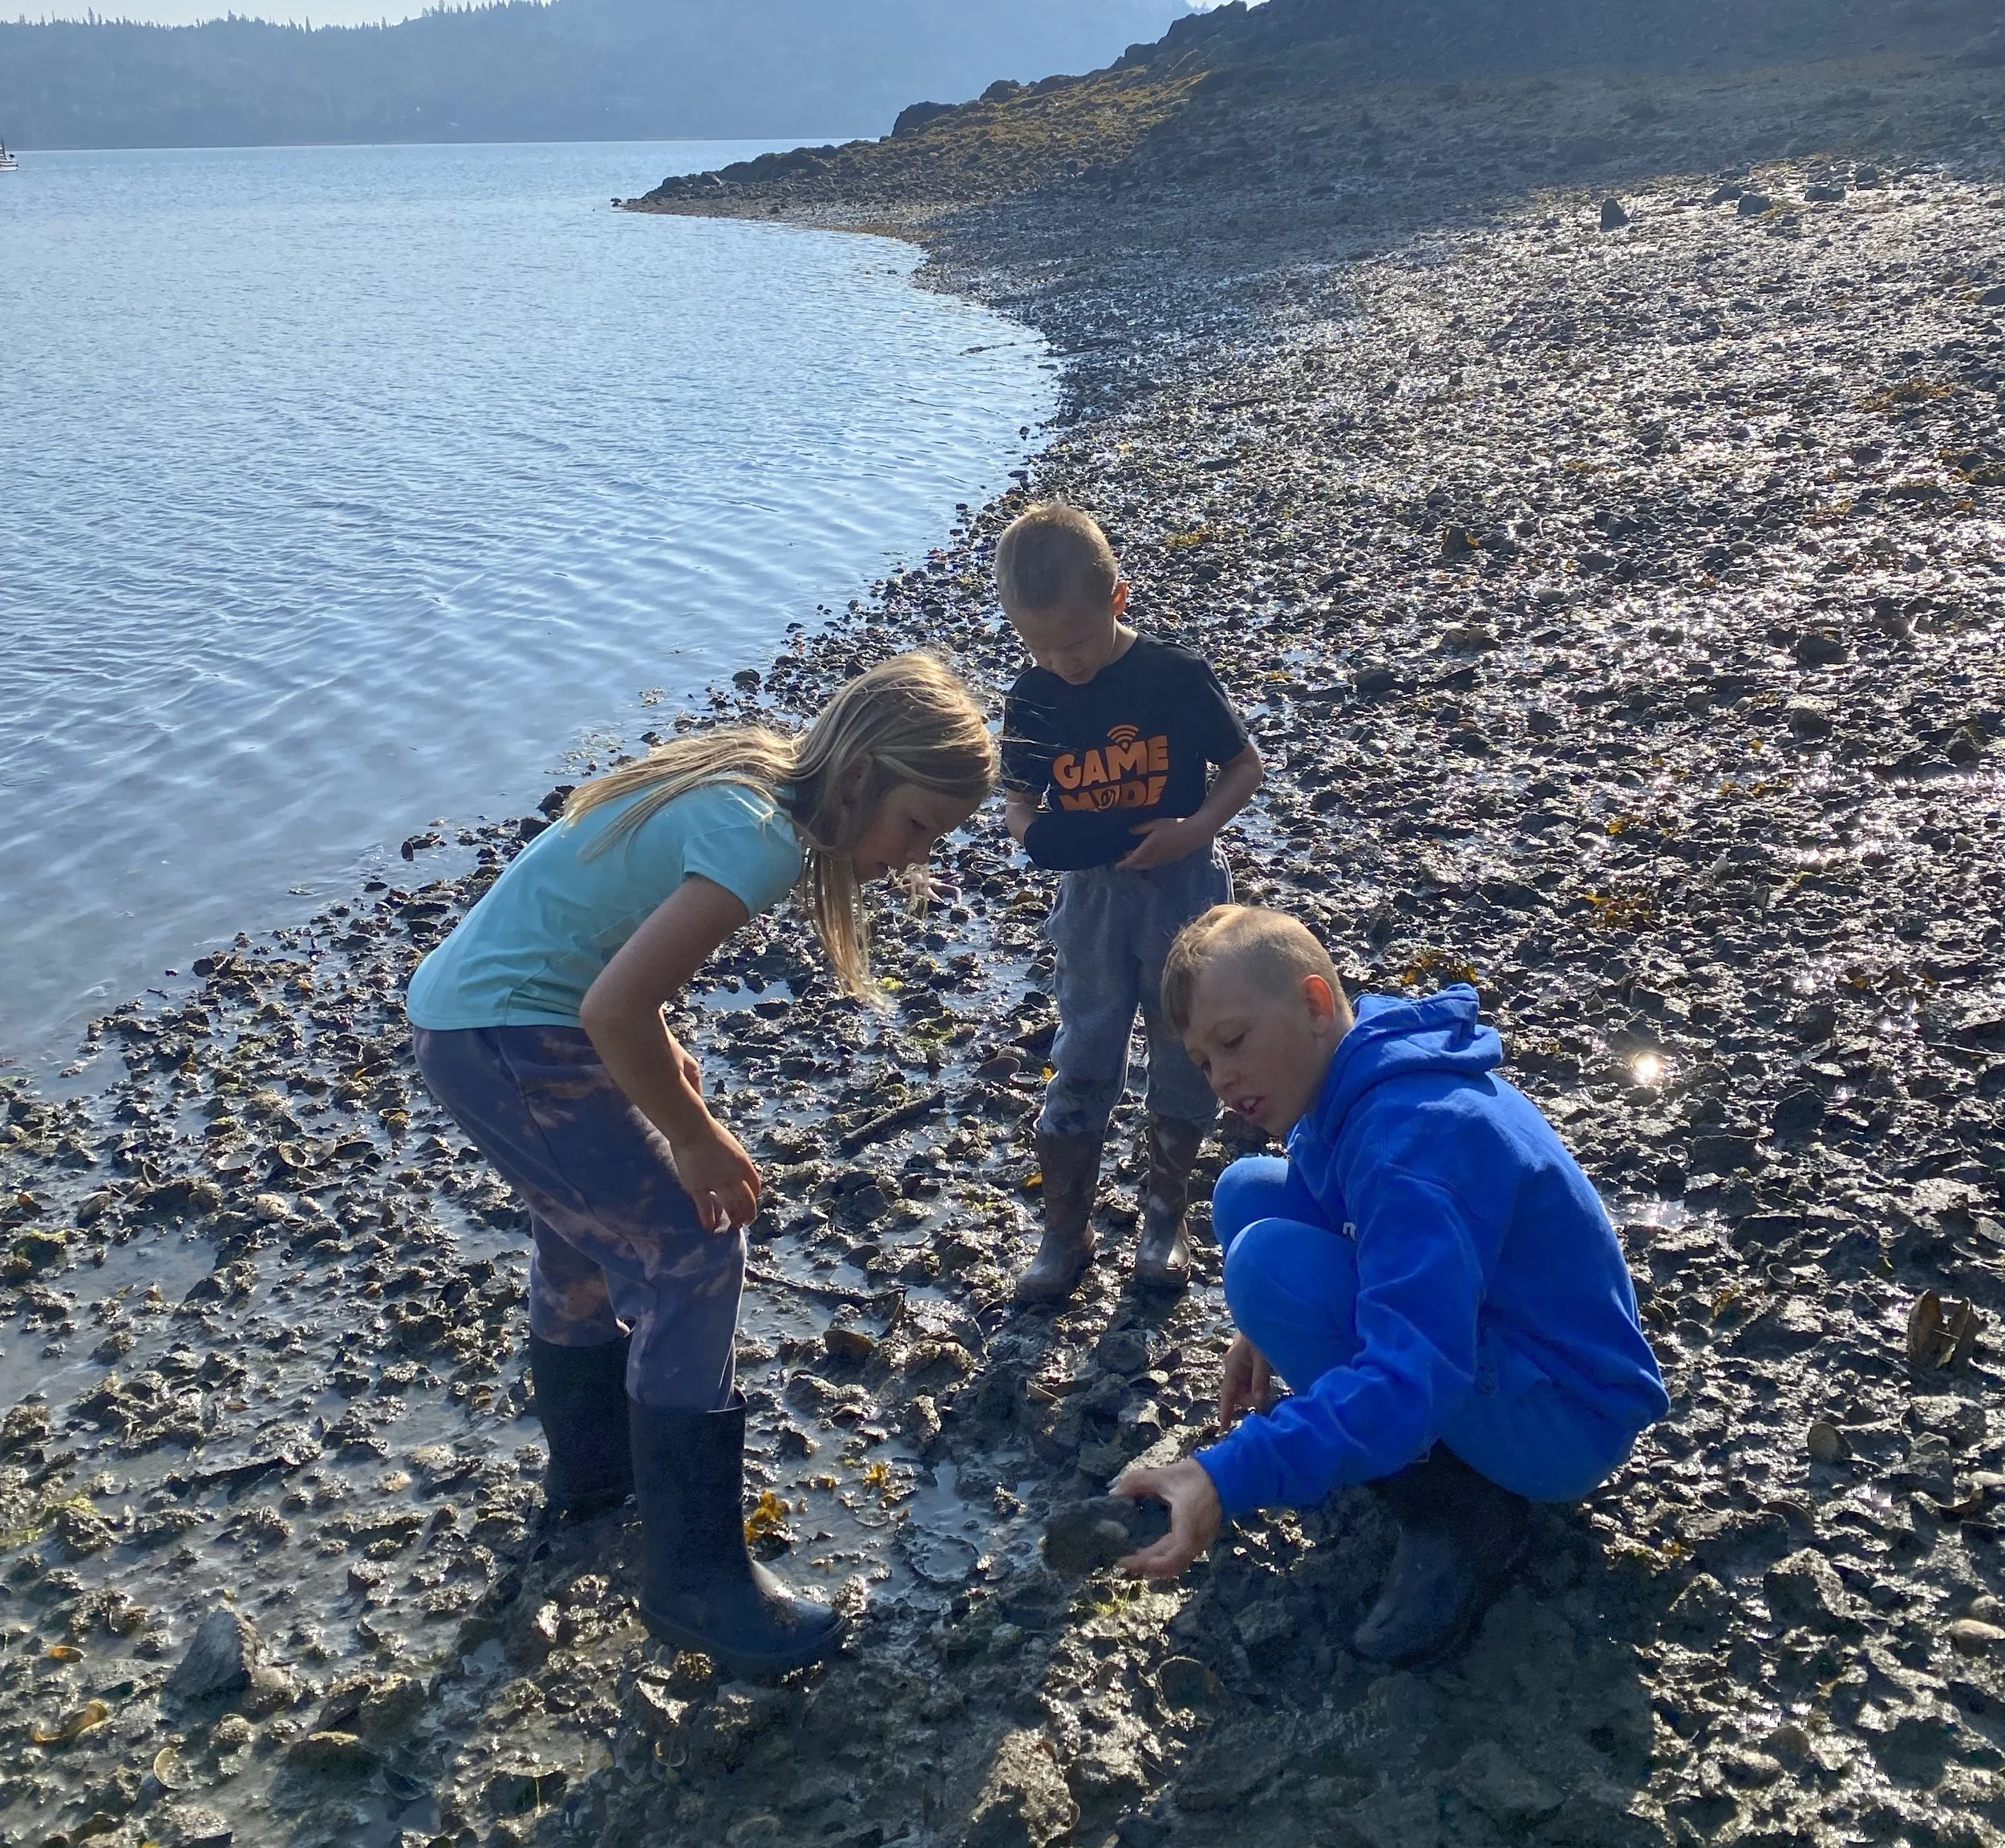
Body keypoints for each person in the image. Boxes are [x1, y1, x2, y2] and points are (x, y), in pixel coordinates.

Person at [404, 653, 995, 1677]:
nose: (915, 858)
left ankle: (594, 1481)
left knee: (582, 1242)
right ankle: (694, 1580)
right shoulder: (762, 843)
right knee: (692, 1250)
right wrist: (691, 1134)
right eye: (917, 827)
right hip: (514, 1037)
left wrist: (661, 1047)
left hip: (467, 1020)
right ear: (860, 776)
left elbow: (607, 943)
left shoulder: (755, 776)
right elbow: (609, 1008)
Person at [1116, 906, 1668, 1665]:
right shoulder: (1360, 1058)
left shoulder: (1409, 1140)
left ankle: (1457, 1511)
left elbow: (1412, 1374)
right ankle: (1401, 1451)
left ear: (1314, 1002)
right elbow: (1329, 1193)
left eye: (1235, 1041)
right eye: (1204, 1061)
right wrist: (1266, 1328)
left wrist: (1224, 1475)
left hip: (1567, 1414)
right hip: (1508, 1339)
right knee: (1247, 1190)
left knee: (1264, 1264)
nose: (1222, 1080)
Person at [996, 502, 1263, 1301]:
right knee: (1085, 1045)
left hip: (1182, 884)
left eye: (1075, 643)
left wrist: (1196, 828)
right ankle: (1064, 1232)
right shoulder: (1034, 695)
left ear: (1119, 599)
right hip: (1091, 898)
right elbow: (1017, 803)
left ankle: (1162, 1216)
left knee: (1184, 1043)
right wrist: (1038, 838)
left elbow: (1243, 766)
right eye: (1038, 645)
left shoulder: (1172, 679)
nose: (1062, 663)